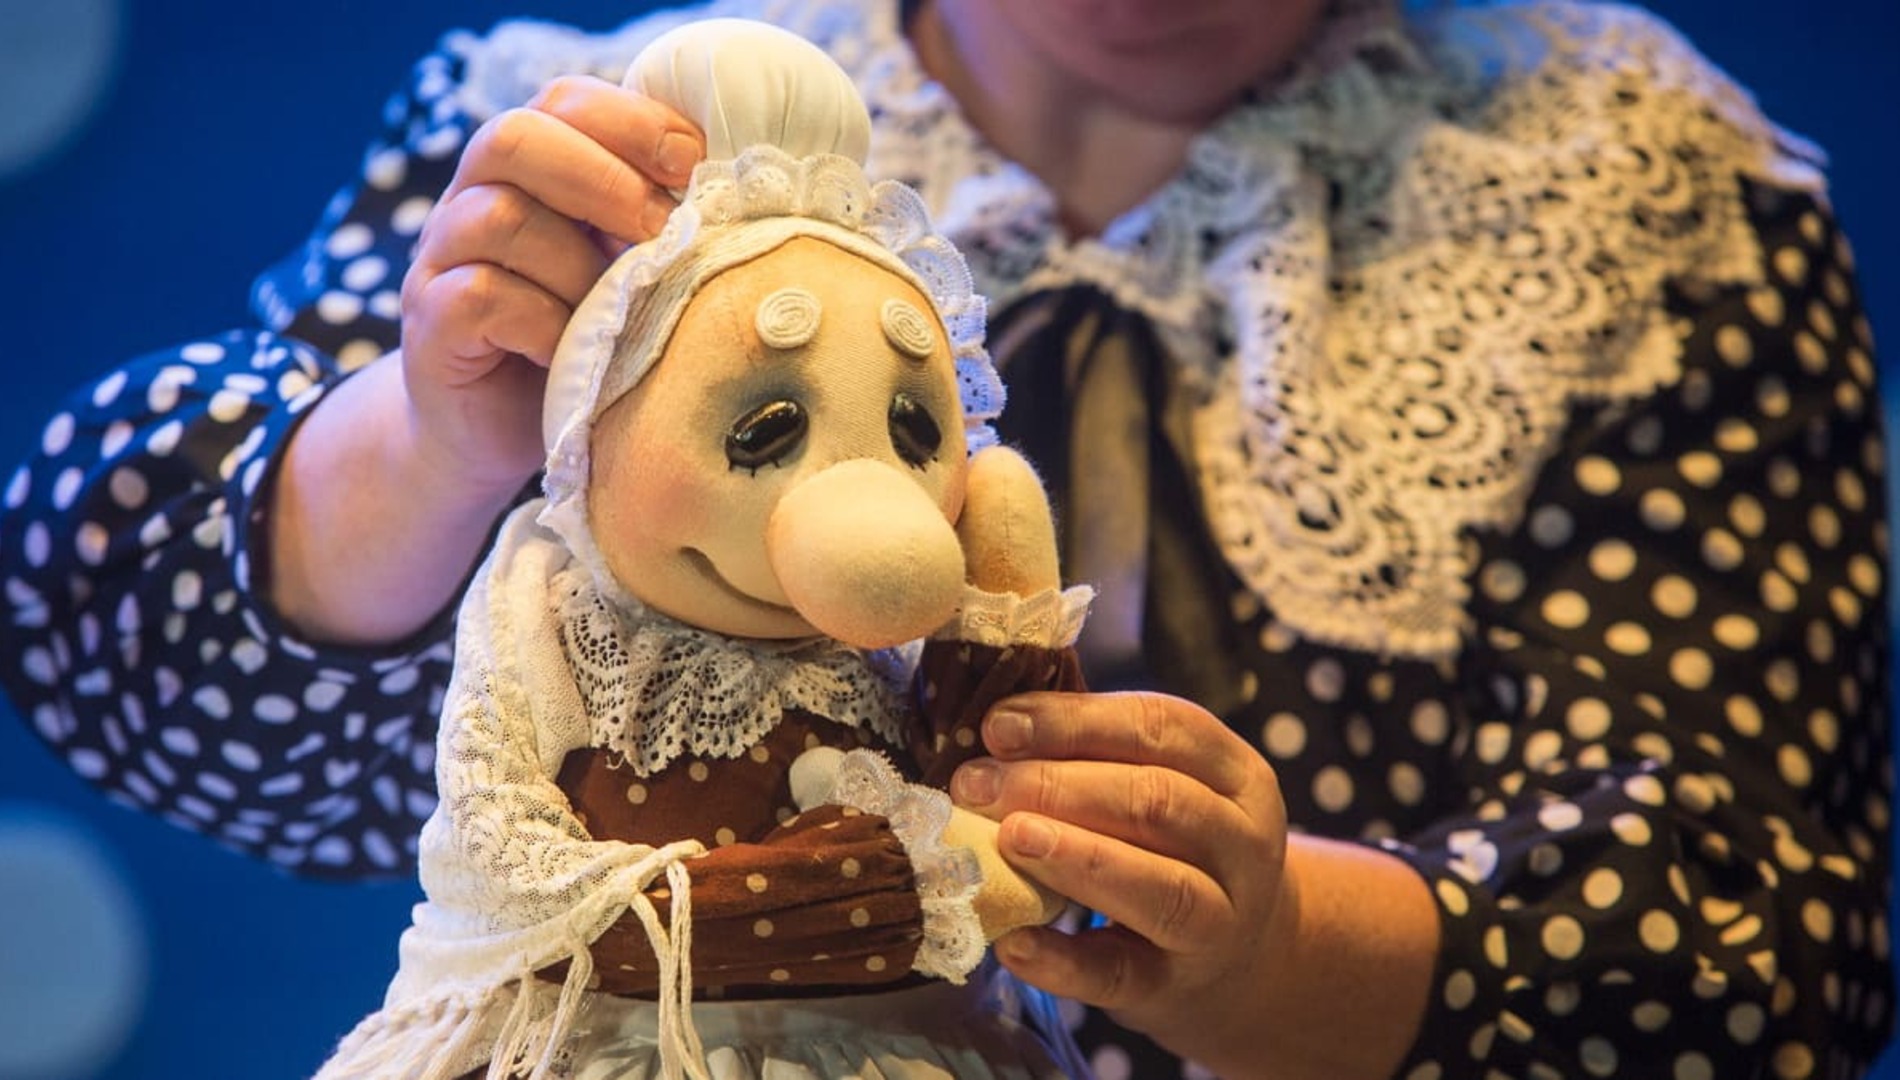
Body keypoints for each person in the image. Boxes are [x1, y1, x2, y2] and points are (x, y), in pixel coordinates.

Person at [0, 0, 1890, 1076]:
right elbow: (101, 632)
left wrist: (1270, 949)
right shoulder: (591, 139)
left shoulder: (1636, 210)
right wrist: (427, 444)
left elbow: (1756, 939)